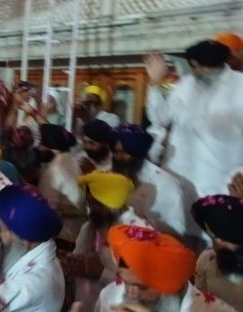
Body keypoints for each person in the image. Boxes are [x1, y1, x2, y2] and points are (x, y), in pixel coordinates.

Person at [145, 40, 243, 198]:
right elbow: (160, 119)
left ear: (218, 64)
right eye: (193, 66)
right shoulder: (185, 85)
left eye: (202, 67)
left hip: (220, 181)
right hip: (177, 176)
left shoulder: (239, 86)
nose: (197, 71)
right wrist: (155, 84)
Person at [96, 224, 235, 311]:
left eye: (143, 287)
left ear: (171, 283)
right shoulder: (110, 295)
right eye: (125, 281)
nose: (131, 293)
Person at [65, 171, 147, 311]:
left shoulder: (136, 233)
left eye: (97, 204)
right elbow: (79, 261)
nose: (91, 210)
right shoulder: (90, 226)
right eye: (89, 203)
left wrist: (101, 273)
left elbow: (142, 287)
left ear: (115, 203)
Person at [112, 124, 198, 243]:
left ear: (138, 154)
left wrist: (146, 218)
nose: (118, 157)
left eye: (125, 153)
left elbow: (178, 231)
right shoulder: (111, 175)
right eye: (115, 152)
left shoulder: (164, 182)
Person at [191, 195, 243, 310]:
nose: (217, 243)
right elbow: (200, 293)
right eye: (213, 237)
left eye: (225, 239)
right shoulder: (207, 259)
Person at [37, 124, 82, 214]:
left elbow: (46, 204)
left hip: (64, 221)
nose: (39, 148)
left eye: (41, 144)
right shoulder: (72, 160)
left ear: (51, 146)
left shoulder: (54, 170)